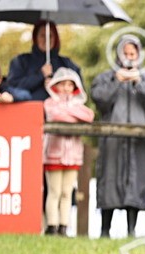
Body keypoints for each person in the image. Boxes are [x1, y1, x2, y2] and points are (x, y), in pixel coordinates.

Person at [90, 35, 145, 239]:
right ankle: (104, 231)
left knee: (136, 185)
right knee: (109, 184)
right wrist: (117, 80)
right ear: (119, 55)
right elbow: (99, 99)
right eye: (126, 53)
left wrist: (138, 82)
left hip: (139, 143)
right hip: (112, 142)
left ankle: (132, 231)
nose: (129, 57)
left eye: (133, 54)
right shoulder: (107, 78)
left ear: (139, 55)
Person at [42, 67, 95, 236]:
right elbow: (56, 115)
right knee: (54, 191)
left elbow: (89, 115)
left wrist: (68, 110)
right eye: (62, 84)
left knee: (67, 192)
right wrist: (74, 115)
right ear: (55, 85)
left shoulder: (79, 105)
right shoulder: (49, 103)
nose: (66, 88)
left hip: (73, 156)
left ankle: (64, 226)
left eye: (69, 85)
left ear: (75, 87)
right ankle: (52, 225)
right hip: (54, 155)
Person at [5, 22, 81, 103]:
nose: (46, 39)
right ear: (35, 38)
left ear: (55, 38)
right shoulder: (21, 61)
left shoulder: (67, 64)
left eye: (50, 36)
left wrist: (55, 84)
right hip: (29, 111)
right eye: (42, 36)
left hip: (60, 113)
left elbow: (78, 90)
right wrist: (40, 75)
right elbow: (12, 87)